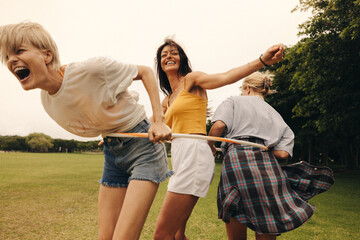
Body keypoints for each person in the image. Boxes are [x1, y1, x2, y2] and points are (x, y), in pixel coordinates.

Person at [0, 22, 173, 240]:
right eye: (7, 56)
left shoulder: (91, 69)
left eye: (19, 51)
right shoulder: (47, 101)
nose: (11, 60)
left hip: (143, 146)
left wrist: (158, 121)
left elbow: (146, 72)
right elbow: (91, 113)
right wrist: (107, 130)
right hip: (112, 150)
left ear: (47, 55)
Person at [153, 38, 285, 240]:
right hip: (179, 157)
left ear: (182, 58)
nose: (169, 56)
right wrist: (116, 136)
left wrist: (262, 61)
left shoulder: (192, 80)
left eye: (174, 52)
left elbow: (226, 76)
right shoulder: (167, 100)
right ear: (160, 64)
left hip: (194, 153)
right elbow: (152, 126)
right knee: (178, 235)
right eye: (164, 55)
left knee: (162, 235)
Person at [208, 71, 334, 240]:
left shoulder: (233, 101)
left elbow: (218, 126)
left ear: (247, 88)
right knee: (266, 215)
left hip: (237, 162)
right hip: (267, 168)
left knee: (234, 206)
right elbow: (282, 154)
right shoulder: (277, 116)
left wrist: (210, 146)